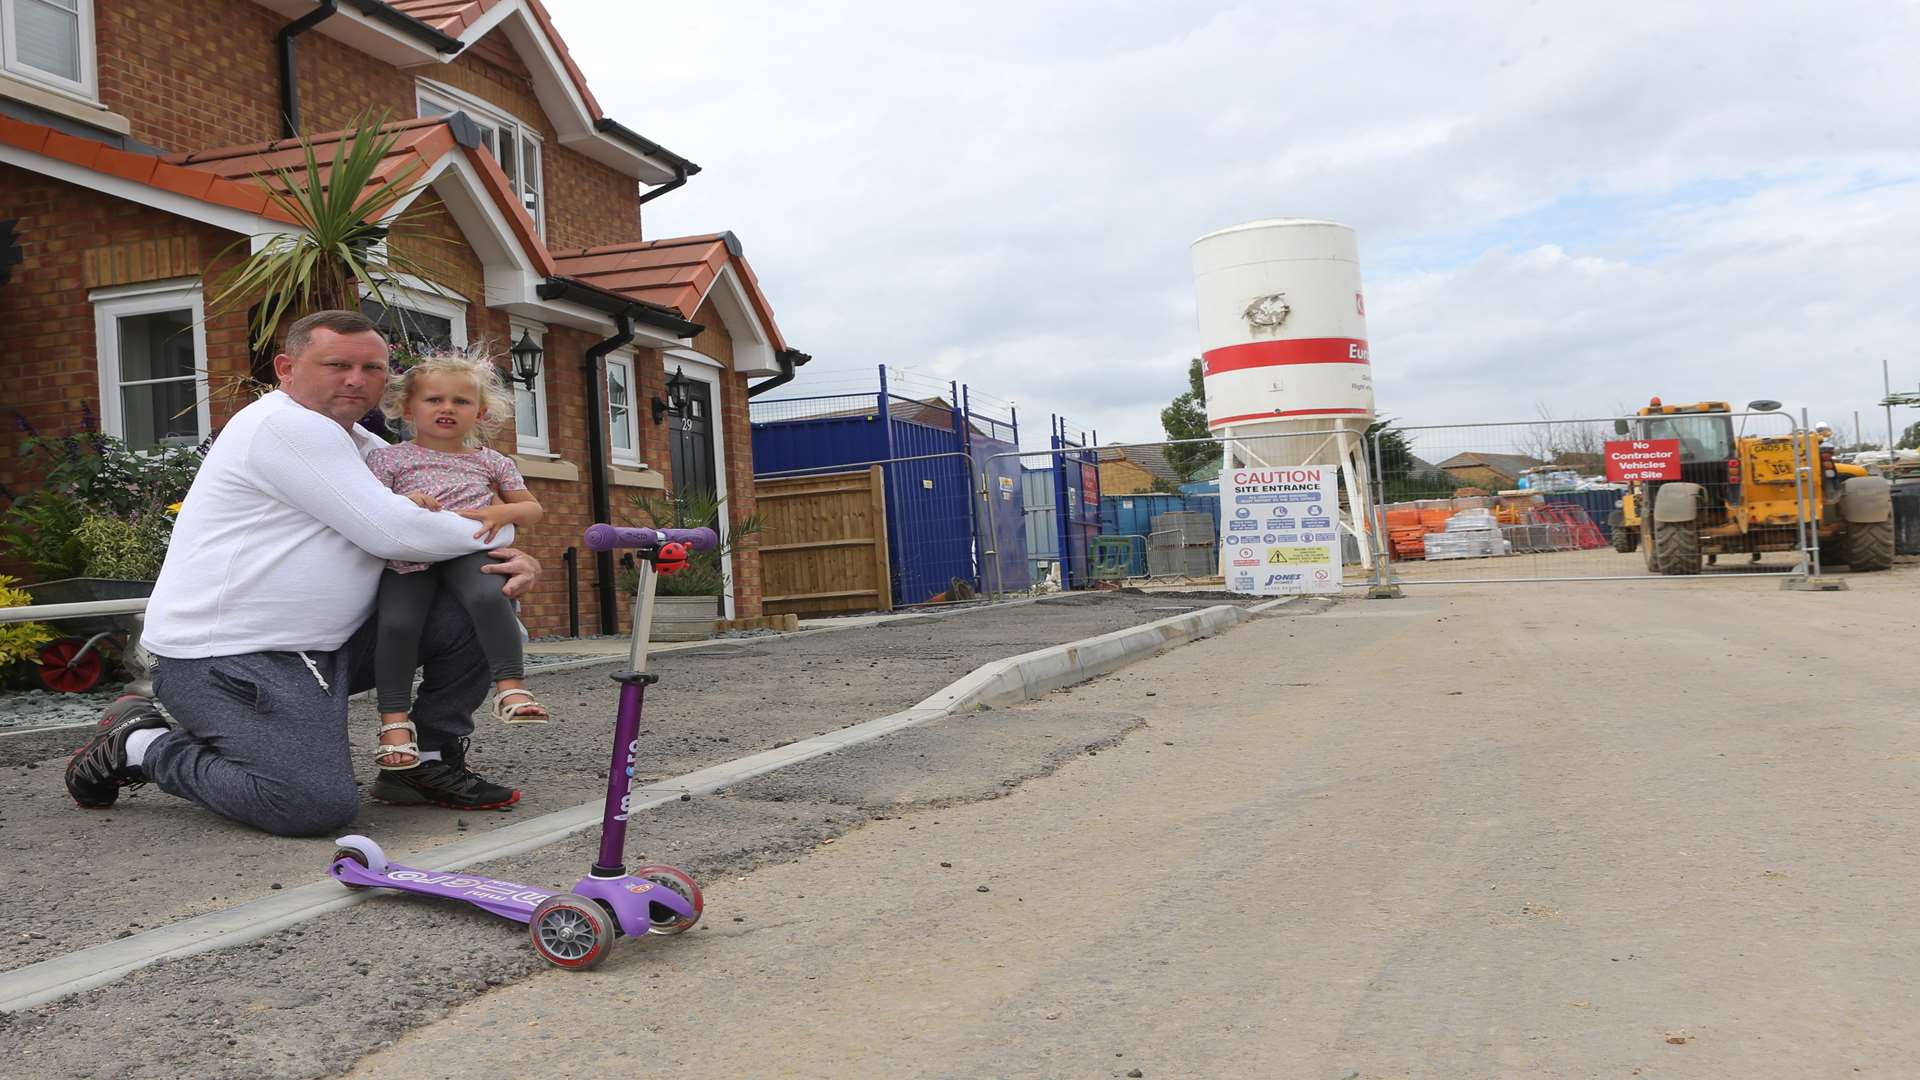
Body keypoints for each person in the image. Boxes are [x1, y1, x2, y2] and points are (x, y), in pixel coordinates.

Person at [64, 310, 540, 836]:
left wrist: (510, 560)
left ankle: (424, 763)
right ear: (287, 368)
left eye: (373, 368)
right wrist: (505, 537)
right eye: (337, 364)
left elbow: (438, 521)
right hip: (231, 657)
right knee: (310, 806)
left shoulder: (364, 445)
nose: (356, 379)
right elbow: (400, 534)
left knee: (485, 597)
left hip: (330, 648)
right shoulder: (285, 427)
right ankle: (138, 743)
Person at [368, 350, 550, 772]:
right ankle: (394, 723)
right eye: (434, 400)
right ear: (408, 407)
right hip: (411, 554)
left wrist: (502, 512)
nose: (447, 408)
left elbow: (531, 509)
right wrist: (405, 500)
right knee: (396, 625)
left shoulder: (491, 461)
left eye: (461, 401)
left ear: (480, 412)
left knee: (490, 596)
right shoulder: (390, 458)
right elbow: (370, 504)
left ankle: (511, 688)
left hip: (468, 547)